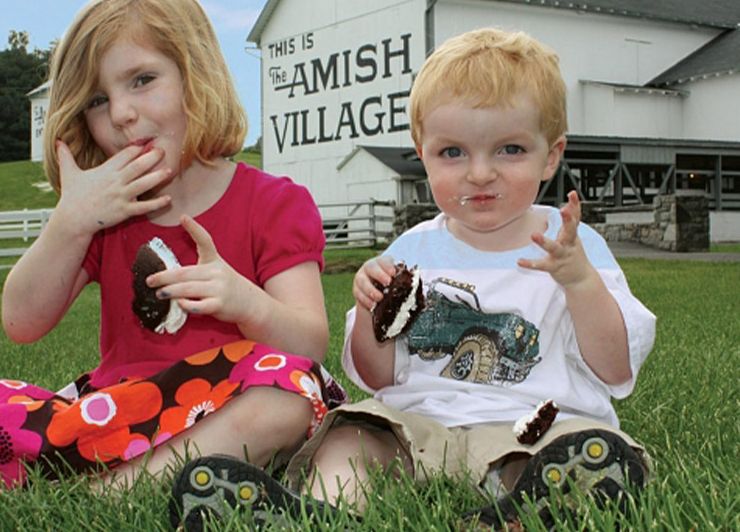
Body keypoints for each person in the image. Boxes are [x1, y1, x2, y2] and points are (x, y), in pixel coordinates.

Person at [170, 28, 656, 530]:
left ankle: (521, 512)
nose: (481, 172)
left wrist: (578, 283)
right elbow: (377, 375)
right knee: (349, 438)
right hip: (419, 425)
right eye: (453, 153)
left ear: (550, 155)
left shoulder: (571, 245)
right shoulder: (411, 252)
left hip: (533, 424)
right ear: (422, 153)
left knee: (572, 455)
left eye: (510, 149)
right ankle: (320, 514)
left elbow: (613, 367)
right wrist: (370, 313)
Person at [0, 0, 345, 491]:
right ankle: (138, 473)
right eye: (98, 100)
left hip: (236, 404)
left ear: (196, 77)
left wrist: (246, 302)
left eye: (142, 80)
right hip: (125, 411)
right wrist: (71, 221)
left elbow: (309, 346)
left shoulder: (273, 202)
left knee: (288, 396)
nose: (121, 114)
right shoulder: (106, 215)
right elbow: (22, 321)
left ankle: (110, 492)